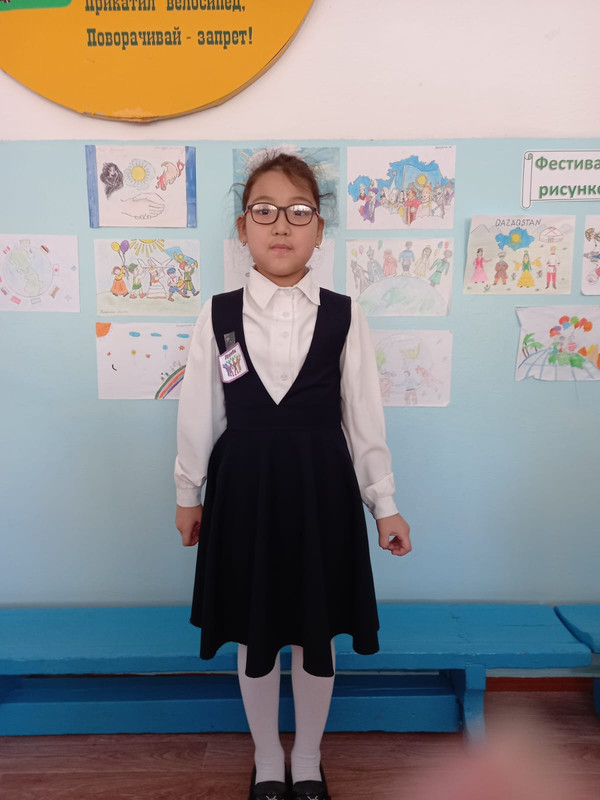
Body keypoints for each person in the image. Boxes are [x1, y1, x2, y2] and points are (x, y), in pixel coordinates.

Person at [174, 152, 411, 800]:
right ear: (243, 228)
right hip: (243, 493)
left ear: (319, 230)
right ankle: (266, 759)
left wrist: (384, 502)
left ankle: (306, 757)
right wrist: (188, 492)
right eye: (265, 211)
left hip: (321, 494)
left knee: (315, 636)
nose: (282, 225)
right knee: (253, 634)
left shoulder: (344, 314)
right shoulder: (218, 314)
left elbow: (364, 416)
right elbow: (199, 410)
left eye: (299, 212)